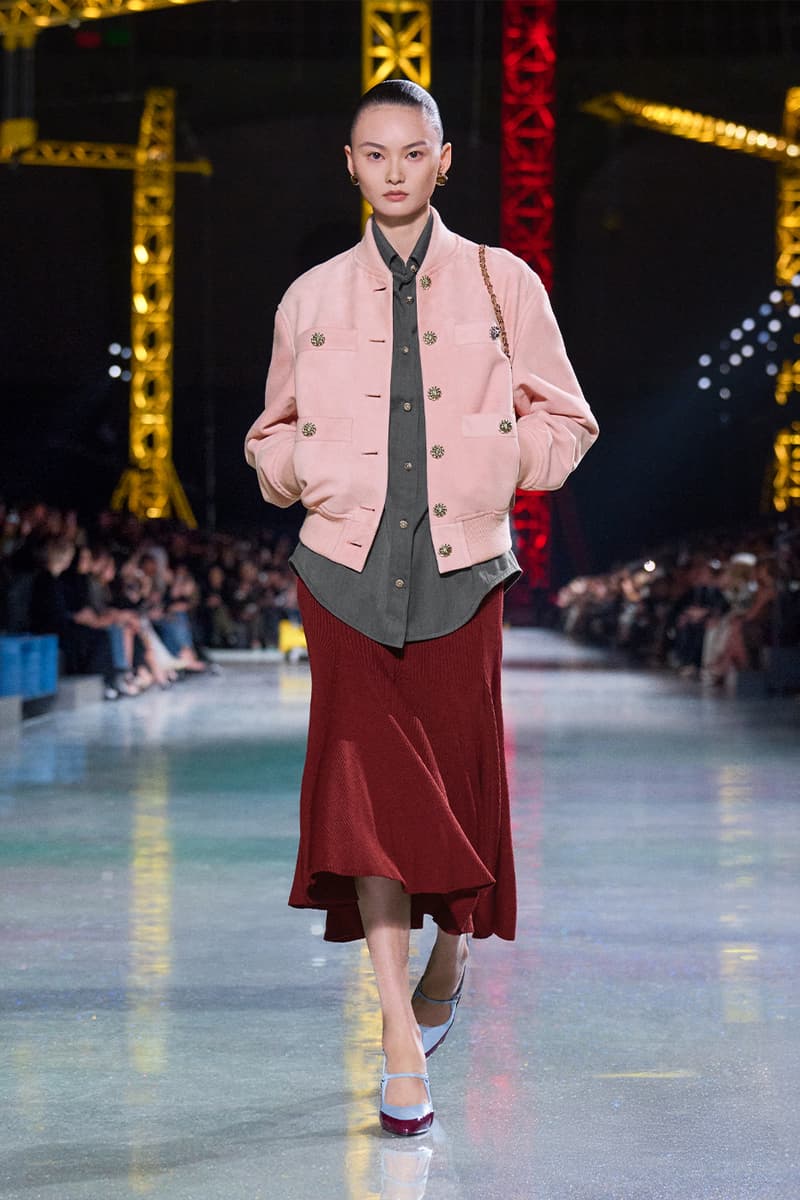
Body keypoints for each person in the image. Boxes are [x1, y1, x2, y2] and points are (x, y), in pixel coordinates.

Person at [244, 80, 598, 1137]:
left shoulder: (501, 280)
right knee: (364, 801)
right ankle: (397, 1034)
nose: (393, 170)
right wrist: (298, 470)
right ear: (350, 165)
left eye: (412, 152)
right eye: (374, 152)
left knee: (456, 787)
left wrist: (500, 464)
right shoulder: (310, 297)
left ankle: (452, 951)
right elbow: (271, 431)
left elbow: (567, 419)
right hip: (341, 572)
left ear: (444, 162)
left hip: (462, 569)